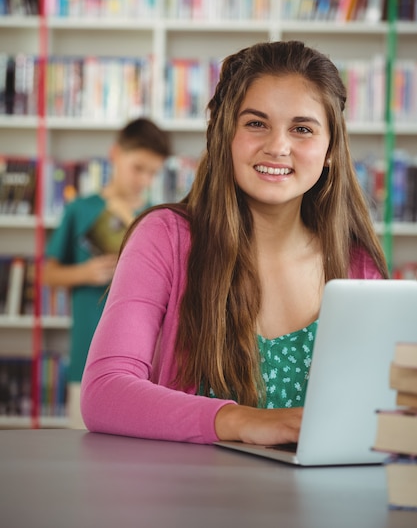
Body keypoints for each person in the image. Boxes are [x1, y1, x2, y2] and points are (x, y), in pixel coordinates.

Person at [80, 40, 389, 445]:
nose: (278, 146)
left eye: (302, 129)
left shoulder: (358, 265)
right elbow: (104, 392)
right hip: (188, 502)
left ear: (331, 148)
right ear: (225, 133)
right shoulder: (165, 238)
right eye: (256, 123)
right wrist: (242, 421)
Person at [42, 117, 171, 428]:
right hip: (86, 354)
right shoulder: (81, 209)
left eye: (152, 172)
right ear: (114, 154)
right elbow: (47, 274)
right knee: (83, 448)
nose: (143, 179)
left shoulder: (158, 218)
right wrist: (85, 273)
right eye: (138, 168)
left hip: (145, 364)